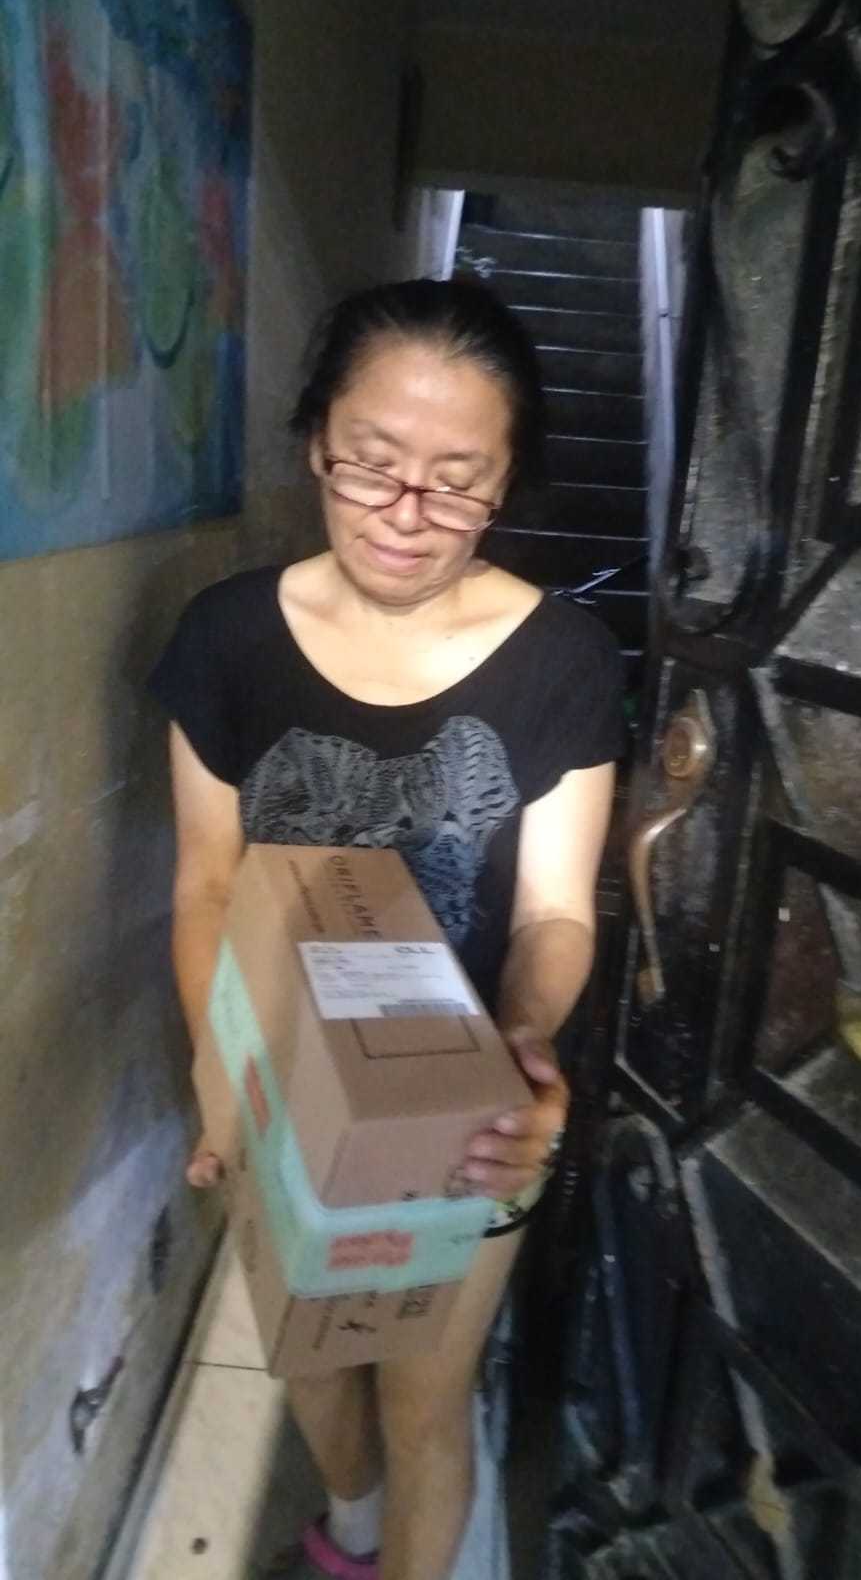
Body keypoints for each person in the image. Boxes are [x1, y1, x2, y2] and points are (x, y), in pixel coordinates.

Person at [150, 278, 623, 1580]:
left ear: (506, 484)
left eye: (459, 484)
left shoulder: (565, 660)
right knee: (311, 1355)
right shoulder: (228, 638)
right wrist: (221, 1074)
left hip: (468, 1118)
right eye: (371, 465)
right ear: (317, 441)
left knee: (423, 1396)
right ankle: (349, 1528)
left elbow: (555, 909)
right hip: (275, 1080)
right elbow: (206, 884)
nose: (408, 516)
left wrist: (518, 1050)